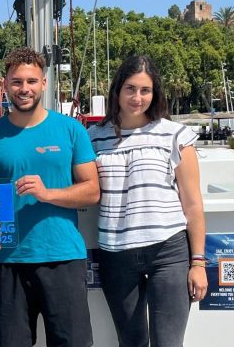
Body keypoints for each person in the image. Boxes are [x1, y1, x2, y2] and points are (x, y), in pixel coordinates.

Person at [0, 47, 100, 347]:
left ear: (44, 83)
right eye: (16, 82)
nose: (24, 89)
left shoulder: (71, 130)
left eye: (31, 81)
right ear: (4, 85)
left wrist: (47, 193)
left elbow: (92, 190)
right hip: (9, 260)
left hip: (63, 257)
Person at [87, 55, 208, 347]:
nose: (137, 97)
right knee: (131, 342)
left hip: (168, 252)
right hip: (115, 254)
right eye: (130, 88)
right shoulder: (93, 137)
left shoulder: (175, 135)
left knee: (168, 342)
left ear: (155, 94)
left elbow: (192, 204)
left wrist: (198, 263)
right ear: (117, 90)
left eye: (145, 90)